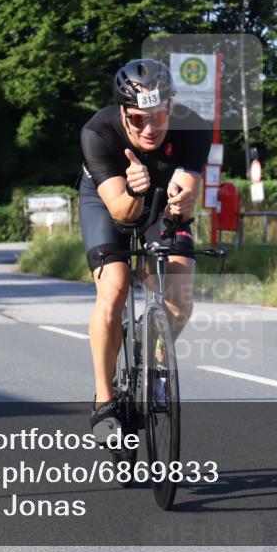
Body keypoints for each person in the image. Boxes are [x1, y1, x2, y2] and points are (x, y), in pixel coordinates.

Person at [79, 58, 211, 434]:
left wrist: (184, 203)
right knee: (115, 287)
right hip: (111, 199)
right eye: (138, 119)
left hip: (160, 200)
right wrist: (134, 187)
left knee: (179, 293)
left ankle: (154, 362)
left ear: (171, 108)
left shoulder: (194, 128)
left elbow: (186, 194)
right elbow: (122, 212)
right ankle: (104, 401)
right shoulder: (98, 132)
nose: (150, 128)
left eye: (159, 116)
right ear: (123, 113)